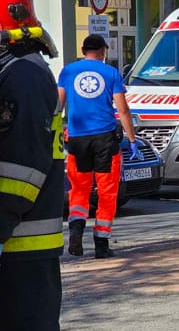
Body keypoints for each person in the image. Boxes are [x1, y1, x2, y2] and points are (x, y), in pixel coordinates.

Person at [0, 0, 64, 331]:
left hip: (23, 239)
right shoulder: (14, 69)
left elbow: (20, 168)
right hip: (14, 236)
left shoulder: (22, 73)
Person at [57, 34, 138, 258]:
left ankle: (76, 231)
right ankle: (101, 244)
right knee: (107, 192)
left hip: (77, 139)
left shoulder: (67, 71)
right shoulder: (111, 73)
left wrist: (55, 134)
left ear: (83, 50)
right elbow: (123, 110)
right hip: (105, 140)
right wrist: (132, 140)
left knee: (79, 189)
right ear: (102, 51)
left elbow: (58, 106)